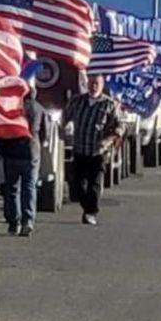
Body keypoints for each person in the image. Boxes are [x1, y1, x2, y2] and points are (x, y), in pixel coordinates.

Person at [65, 74, 121, 226]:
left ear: (102, 85)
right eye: (91, 83)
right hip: (80, 149)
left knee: (94, 185)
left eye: (97, 83)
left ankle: (91, 212)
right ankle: (86, 207)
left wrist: (110, 139)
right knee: (78, 185)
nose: (93, 86)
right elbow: (65, 117)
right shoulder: (78, 101)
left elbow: (119, 126)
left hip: (98, 151)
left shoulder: (109, 105)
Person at [0, 83, 48, 237]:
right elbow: (44, 134)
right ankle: (28, 220)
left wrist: (0, 149)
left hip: (11, 151)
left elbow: (2, 129)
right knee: (29, 187)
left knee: (12, 188)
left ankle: (13, 222)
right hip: (31, 152)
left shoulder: (11, 109)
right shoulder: (39, 109)